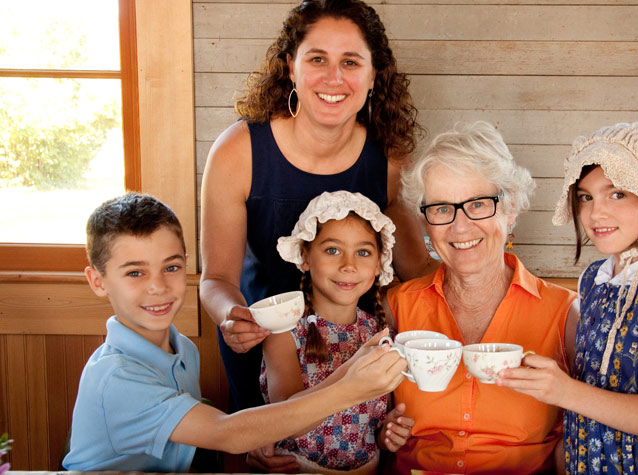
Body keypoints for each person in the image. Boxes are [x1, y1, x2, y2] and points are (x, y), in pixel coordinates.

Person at [387, 121, 638, 475]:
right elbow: (352, 418)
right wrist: (380, 430)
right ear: (426, 222)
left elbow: (612, 398)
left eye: (479, 204)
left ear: (510, 211)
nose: (460, 226)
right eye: (441, 208)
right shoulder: (397, 308)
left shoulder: (566, 312)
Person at [199, 0, 433, 422]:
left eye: (351, 62)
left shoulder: (388, 159)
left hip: (353, 352)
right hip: (263, 344)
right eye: (318, 59)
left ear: (373, 75)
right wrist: (231, 318)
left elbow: (417, 270)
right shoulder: (239, 152)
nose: (334, 77)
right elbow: (215, 279)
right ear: (291, 66)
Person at [63, 192, 406, 472]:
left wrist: (256, 439)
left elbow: (198, 428)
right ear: (97, 281)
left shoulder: (181, 349)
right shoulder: (117, 377)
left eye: (171, 267)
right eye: (135, 273)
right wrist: (351, 385)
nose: (158, 287)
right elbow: (226, 434)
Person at [498, 121, 638, 474]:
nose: (595, 212)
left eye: (616, 193)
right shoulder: (594, 279)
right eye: (586, 197)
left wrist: (563, 391)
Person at [260, 191, 414, 474]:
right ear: (305, 256)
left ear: (379, 263)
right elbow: (287, 421)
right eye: (332, 250)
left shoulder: (381, 334)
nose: (349, 265)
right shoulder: (283, 334)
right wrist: (352, 377)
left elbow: (374, 428)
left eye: (364, 252)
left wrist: (387, 434)